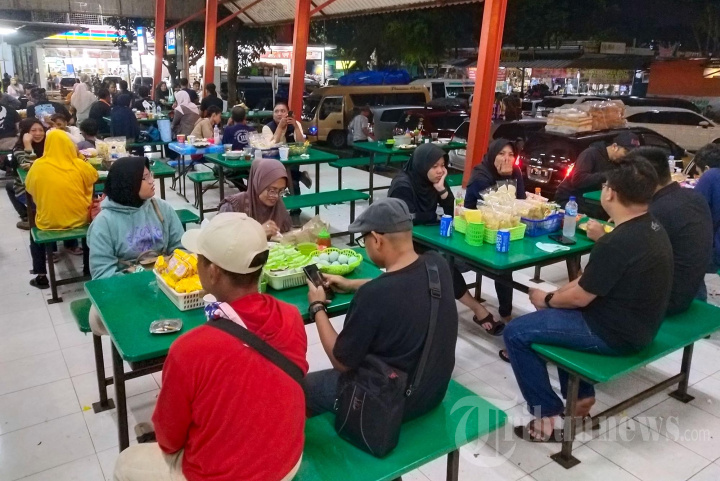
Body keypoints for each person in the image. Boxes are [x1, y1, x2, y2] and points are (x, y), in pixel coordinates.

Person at [113, 212, 308, 481]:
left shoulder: (189, 349)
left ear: (213, 272)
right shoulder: (291, 316)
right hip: (287, 461)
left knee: (126, 462)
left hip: (222, 475)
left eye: (199, 259)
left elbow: (169, 440)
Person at [504, 158, 673, 442]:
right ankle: (581, 396)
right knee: (554, 315)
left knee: (516, 332)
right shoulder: (651, 227)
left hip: (614, 334)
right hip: (640, 326)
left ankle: (546, 414)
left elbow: (581, 298)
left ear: (610, 193)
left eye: (605, 184)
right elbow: (588, 282)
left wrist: (547, 298)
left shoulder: (616, 242)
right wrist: (554, 297)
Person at [303, 198, 458, 421]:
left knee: (301, 387)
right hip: (431, 392)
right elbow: (404, 284)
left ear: (376, 240)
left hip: (391, 404)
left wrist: (317, 306)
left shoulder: (373, 295)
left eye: (363, 240)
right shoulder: (437, 265)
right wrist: (352, 284)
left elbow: (341, 362)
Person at [388, 143, 505, 335]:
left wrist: (442, 190)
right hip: (403, 241)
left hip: (430, 238)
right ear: (422, 164)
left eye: (443, 165)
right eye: (434, 166)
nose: (440, 171)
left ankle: (486, 306)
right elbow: (404, 219)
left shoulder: (435, 182)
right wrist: (434, 217)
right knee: (442, 263)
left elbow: (453, 211)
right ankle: (477, 309)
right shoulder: (403, 185)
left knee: (460, 256)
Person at [586, 147, 713, 315]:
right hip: (692, 290)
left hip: (663, 301)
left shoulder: (656, 212)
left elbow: (622, 256)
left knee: (589, 289)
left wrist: (601, 237)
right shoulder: (694, 197)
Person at [87, 157, 184, 334]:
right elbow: (102, 275)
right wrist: (141, 280)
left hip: (166, 285)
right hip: (125, 291)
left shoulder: (162, 208)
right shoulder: (104, 223)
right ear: (128, 183)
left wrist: (168, 274)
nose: (151, 181)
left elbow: (181, 249)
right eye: (145, 178)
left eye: (150, 175)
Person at [464, 138, 526, 335]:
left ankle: (506, 313)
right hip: (477, 233)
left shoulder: (515, 171)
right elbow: (495, 208)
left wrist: (511, 177)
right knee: (502, 265)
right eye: (501, 154)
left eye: (511, 154)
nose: (506, 159)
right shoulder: (480, 175)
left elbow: (520, 202)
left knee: (506, 259)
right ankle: (505, 314)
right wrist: (505, 179)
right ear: (492, 154)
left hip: (504, 229)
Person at [25, 130, 98, 288]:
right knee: (91, 226)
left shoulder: (37, 166)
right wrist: (79, 157)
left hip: (48, 222)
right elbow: (94, 177)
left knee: (33, 231)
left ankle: (41, 275)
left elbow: (29, 189)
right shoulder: (78, 164)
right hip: (80, 219)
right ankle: (89, 268)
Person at [554, 131, 640, 218]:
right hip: (570, 199)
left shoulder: (619, 162)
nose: (628, 157)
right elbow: (578, 180)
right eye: (626, 152)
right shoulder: (590, 154)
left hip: (591, 201)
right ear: (614, 147)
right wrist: (608, 175)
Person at [219, 158, 292, 238]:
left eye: (281, 191)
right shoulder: (233, 206)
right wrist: (258, 232)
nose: (276, 196)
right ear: (258, 184)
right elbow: (220, 239)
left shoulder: (279, 208)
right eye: (272, 190)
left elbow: (286, 236)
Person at [263, 102, 310, 194]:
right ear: (273, 114)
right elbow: (271, 146)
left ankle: (296, 204)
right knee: (283, 179)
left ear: (288, 113)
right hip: (274, 161)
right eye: (276, 111)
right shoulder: (267, 127)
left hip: (292, 160)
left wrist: (296, 127)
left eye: (282, 111)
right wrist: (280, 127)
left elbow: (301, 144)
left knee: (293, 183)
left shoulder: (295, 124)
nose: (279, 114)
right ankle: (299, 175)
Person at [6, 118, 45, 230]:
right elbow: (30, 167)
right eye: (33, 130)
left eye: (41, 130)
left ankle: (30, 218)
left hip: (43, 190)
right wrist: (28, 144)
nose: (38, 133)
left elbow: (31, 167)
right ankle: (28, 217)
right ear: (25, 133)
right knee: (11, 186)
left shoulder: (48, 144)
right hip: (31, 188)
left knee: (11, 186)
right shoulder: (19, 148)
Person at [692, 143, 720, 299]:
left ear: (706, 168)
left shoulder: (711, 176)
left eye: (698, 173)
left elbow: (696, 211)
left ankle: (697, 301)